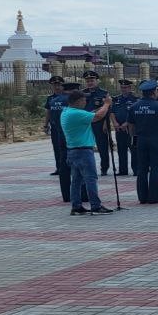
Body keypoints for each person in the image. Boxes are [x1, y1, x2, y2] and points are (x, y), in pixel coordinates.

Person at [59, 88, 113, 216]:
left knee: (77, 180)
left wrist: (99, 107)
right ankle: (96, 205)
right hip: (83, 151)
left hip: (73, 151)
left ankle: (76, 206)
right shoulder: (76, 114)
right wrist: (106, 104)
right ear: (78, 101)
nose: (86, 101)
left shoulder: (67, 111)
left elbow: (90, 113)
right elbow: (98, 116)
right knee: (91, 179)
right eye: (84, 99)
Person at [125, 80, 158, 204]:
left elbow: (130, 125)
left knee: (141, 169)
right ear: (154, 92)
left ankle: (142, 197)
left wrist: (134, 137)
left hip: (140, 140)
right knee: (156, 168)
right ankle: (153, 197)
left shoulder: (134, 106)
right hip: (156, 140)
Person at [82, 70, 112, 176]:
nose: (90, 82)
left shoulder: (104, 93)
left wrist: (105, 124)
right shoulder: (82, 93)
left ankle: (104, 168)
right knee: (85, 146)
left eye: (92, 80)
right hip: (86, 124)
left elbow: (108, 109)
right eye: (88, 81)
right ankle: (86, 167)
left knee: (102, 146)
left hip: (99, 123)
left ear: (97, 81)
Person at [44, 76, 69, 198]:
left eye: (59, 85)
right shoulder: (50, 99)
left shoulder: (67, 98)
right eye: (54, 85)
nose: (57, 87)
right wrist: (45, 124)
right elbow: (48, 112)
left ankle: (66, 167)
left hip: (66, 128)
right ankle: (59, 168)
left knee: (65, 149)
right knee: (57, 148)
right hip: (55, 127)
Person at [110, 79, 138, 176]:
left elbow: (135, 114)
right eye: (122, 87)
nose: (123, 89)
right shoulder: (116, 99)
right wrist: (115, 123)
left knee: (134, 149)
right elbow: (112, 112)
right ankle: (123, 170)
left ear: (130, 88)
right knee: (121, 150)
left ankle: (136, 170)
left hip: (131, 129)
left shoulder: (135, 99)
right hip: (119, 128)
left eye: (125, 87)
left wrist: (127, 123)